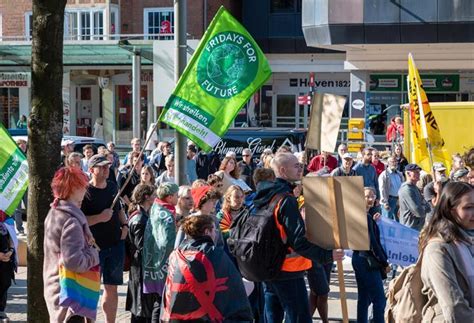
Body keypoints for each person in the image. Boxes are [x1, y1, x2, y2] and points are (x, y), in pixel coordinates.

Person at [254, 153, 344, 323]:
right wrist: (327, 256)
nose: (300, 168)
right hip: (289, 270)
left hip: (268, 268)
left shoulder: (264, 195)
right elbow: (299, 242)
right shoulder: (286, 200)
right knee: (298, 318)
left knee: (272, 317)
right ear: (282, 170)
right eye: (296, 165)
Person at [160, 215, 253, 322]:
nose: (216, 233)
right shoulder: (214, 254)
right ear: (207, 232)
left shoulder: (175, 254)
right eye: (214, 230)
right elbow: (234, 289)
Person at [43, 167, 100, 322]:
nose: (85, 190)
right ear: (72, 189)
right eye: (81, 186)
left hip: (56, 290)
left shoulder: (54, 213)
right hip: (71, 297)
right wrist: (94, 256)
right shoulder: (72, 221)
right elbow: (74, 262)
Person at [81, 155, 128, 323]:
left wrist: (125, 226)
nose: (106, 169)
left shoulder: (113, 187)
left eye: (107, 166)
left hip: (115, 245)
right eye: (101, 167)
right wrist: (99, 218)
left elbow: (119, 209)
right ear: (91, 169)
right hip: (94, 247)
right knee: (91, 289)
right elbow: (79, 219)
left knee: (112, 288)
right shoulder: (85, 191)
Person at [418, 182, 474, 321]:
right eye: (468, 208)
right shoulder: (437, 249)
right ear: (450, 210)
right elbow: (453, 306)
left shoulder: (466, 240)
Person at [352, 187, 390, 323]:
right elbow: (372, 244)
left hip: (359, 258)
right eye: (367, 196)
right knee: (379, 300)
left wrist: (373, 220)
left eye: (373, 196)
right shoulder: (365, 217)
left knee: (364, 298)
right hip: (367, 260)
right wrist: (384, 262)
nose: (371, 198)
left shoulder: (363, 215)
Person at [125, 184, 160, 323]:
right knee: (140, 308)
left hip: (141, 267)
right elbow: (142, 246)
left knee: (142, 308)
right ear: (146, 197)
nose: (155, 197)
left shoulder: (143, 215)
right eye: (153, 194)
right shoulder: (140, 219)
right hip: (140, 268)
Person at [142, 183, 179, 306]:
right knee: (162, 303)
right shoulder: (166, 215)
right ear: (169, 197)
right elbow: (167, 242)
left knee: (158, 302)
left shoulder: (156, 207)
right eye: (177, 195)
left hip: (154, 263)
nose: (178, 198)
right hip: (163, 263)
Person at [399, 164, 431, 231]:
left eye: (418, 172)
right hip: (409, 227)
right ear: (408, 173)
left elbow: (427, 206)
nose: (419, 174)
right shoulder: (406, 189)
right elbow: (418, 212)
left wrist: (423, 207)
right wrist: (423, 207)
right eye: (416, 172)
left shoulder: (415, 187)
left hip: (417, 225)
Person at [0, 211, 15, 321]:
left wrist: (11, 250)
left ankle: (1, 311)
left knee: (4, 283)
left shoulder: (7, 218)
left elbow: (12, 237)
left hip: (5, 260)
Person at [378, 156, 404, 221]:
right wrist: (385, 203)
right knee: (387, 221)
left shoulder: (399, 174)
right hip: (389, 200)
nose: (394, 163)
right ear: (388, 163)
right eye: (392, 161)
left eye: (395, 161)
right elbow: (382, 189)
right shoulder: (384, 175)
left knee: (398, 221)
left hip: (398, 201)